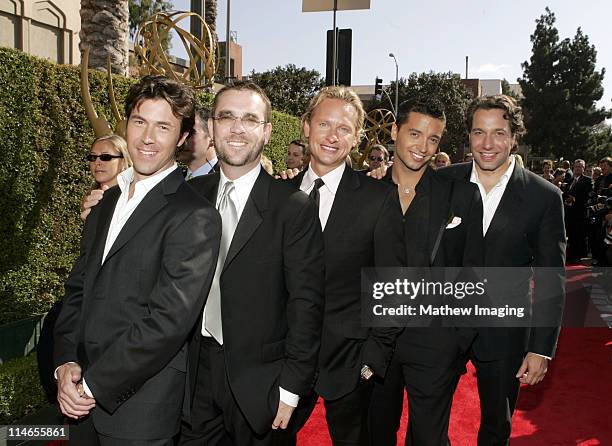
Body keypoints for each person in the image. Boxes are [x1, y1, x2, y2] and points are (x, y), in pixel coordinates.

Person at [53, 75, 222, 445]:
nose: (148, 137)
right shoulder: (104, 204)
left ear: (181, 138)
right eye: (140, 121)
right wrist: (64, 363)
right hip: (77, 394)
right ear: (126, 124)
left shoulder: (195, 214)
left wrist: (95, 385)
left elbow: (168, 321)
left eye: (163, 127)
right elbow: (77, 290)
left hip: (140, 407)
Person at [179, 81, 326, 445]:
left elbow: (306, 304)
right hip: (192, 377)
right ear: (212, 126)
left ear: (267, 131)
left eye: (250, 118)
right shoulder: (187, 198)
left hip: (262, 384)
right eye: (226, 116)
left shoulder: (294, 206)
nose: (237, 128)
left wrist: (292, 388)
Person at [441, 95, 566, 445]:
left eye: (499, 133)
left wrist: (542, 348)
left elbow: (550, 276)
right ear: (468, 136)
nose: (487, 144)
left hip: (506, 329)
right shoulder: (441, 183)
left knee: (496, 425)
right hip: (444, 325)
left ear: (514, 137)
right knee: (428, 417)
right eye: (479, 132)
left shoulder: (544, 196)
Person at [290, 86, 405, 446]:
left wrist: (374, 356)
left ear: (356, 138)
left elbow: (392, 283)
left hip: (352, 359)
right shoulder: (277, 195)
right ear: (306, 126)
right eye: (325, 123)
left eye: (344, 128)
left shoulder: (379, 198)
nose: (332, 136)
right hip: (284, 356)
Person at [367, 97, 483, 446]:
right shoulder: (364, 190)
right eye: (415, 134)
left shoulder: (461, 195)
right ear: (393, 131)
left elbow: (473, 270)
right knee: (374, 434)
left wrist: (457, 341)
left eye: (433, 139)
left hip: (435, 341)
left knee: (430, 438)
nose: (423, 147)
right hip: (374, 341)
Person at [178, 106, 218, 179]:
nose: (182, 138)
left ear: (212, 137)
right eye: (180, 132)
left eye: (191, 132)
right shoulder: (174, 182)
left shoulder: (227, 179)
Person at [565, 159, 593, 262]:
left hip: (580, 213)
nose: (577, 168)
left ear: (583, 168)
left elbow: (587, 196)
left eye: (580, 166)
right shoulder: (570, 180)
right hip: (569, 212)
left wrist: (574, 199)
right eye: (576, 166)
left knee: (579, 236)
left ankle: (578, 256)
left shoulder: (587, 180)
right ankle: (571, 255)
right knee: (571, 235)